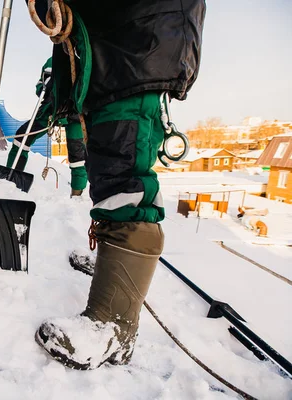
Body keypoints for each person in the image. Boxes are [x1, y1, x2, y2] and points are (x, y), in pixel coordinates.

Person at [28, 1, 207, 369]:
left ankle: (113, 328)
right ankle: (114, 283)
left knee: (125, 181)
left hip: (135, 41)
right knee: (109, 173)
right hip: (121, 47)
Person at [6, 57, 87, 197]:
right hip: (51, 108)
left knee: (77, 155)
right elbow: (39, 87)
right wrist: (46, 84)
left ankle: (77, 195)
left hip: (74, 112)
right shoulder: (52, 60)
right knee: (22, 137)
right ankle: (11, 179)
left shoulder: (82, 56)